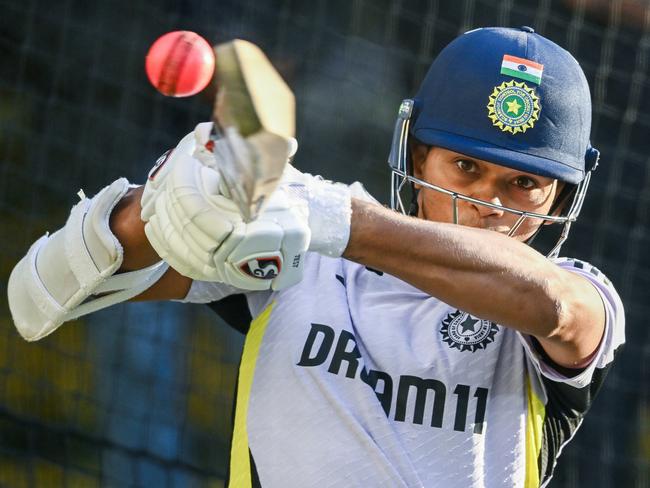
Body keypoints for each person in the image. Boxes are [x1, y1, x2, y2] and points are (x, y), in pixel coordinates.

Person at [8, 26, 624, 488]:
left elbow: (552, 304)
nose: (489, 201)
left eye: (523, 184)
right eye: (465, 167)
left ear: (560, 196)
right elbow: (49, 291)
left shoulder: (575, 295)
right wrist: (171, 199)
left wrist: (328, 214)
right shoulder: (305, 256)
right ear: (416, 159)